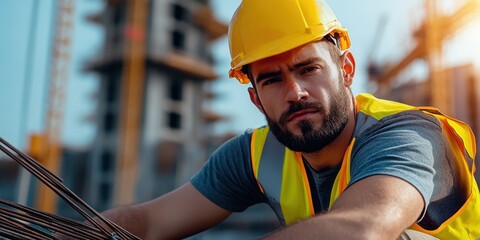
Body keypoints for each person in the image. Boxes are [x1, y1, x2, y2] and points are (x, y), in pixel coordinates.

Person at [100, 0, 480, 239]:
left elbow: (362, 229)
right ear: (255, 98)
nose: (294, 91)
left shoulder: (408, 133)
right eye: (272, 79)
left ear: (346, 69)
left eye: (308, 68)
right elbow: (150, 222)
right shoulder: (255, 154)